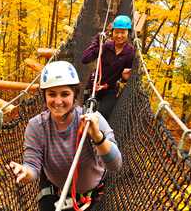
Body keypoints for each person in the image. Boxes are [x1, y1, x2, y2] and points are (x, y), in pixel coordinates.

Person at [8, 61, 122, 211]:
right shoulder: (37, 126)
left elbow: (115, 165)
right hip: (56, 192)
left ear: (75, 94)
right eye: (52, 94)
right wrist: (25, 171)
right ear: (44, 96)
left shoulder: (91, 120)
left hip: (92, 196)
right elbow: (33, 166)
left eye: (65, 94)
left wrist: (97, 137)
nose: (58, 101)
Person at [81, 15, 135, 119]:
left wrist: (124, 78)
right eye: (117, 32)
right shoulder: (106, 46)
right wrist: (97, 40)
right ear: (112, 32)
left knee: (102, 116)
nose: (119, 36)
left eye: (123, 32)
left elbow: (126, 80)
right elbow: (85, 59)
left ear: (128, 33)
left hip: (110, 89)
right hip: (94, 85)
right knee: (86, 114)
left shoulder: (130, 53)